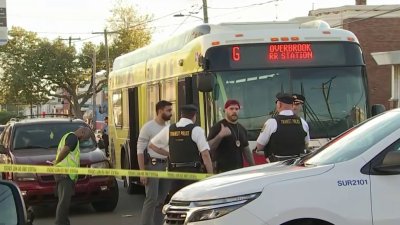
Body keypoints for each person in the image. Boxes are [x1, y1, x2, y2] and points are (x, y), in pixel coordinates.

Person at [149, 104, 213, 196]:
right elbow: (205, 154)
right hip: (192, 173)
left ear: (181, 115)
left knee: (176, 199)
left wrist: (169, 154)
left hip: (174, 173)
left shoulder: (170, 129)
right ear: (194, 116)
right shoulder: (197, 130)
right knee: (192, 199)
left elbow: (152, 145)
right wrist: (210, 175)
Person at [137, 100, 173, 225]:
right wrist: (142, 172)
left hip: (166, 166)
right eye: (168, 110)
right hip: (152, 165)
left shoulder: (169, 127)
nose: (171, 113)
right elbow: (140, 150)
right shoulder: (148, 127)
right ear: (160, 111)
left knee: (161, 201)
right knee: (151, 199)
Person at [51, 127, 92, 225]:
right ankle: (60, 223)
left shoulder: (68, 136)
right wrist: (57, 162)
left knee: (63, 201)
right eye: (84, 138)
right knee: (64, 203)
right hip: (65, 174)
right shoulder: (73, 138)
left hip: (63, 173)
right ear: (82, 132)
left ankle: (63, 222)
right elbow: (65, 150)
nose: (82, 141)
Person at [254, 93, 310, 162]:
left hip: (277, 165)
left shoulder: (272, 122)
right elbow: (306, 144)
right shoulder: (303, 122)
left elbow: (259, 146)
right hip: (297, 165)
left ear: (279, 104)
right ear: (292, 105)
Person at [207, 99, 255, 173]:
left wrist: (253, 168)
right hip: (221, 171)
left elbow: (246, 151)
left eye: (236, 109)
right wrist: (220, 135)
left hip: (238, 171)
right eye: (231, 109)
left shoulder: (242, 129)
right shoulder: (218, 127)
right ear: (225, 110)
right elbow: (209, 149)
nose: (234, 111)